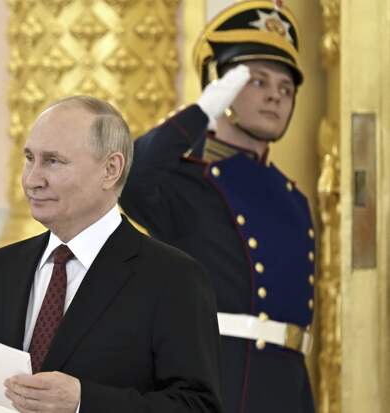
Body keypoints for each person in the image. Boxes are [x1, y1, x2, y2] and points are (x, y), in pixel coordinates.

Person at [0, 96, 222, 413]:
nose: (32, 180)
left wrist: (84, 402)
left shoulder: (173, 277)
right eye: (29, 158)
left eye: (53, 161)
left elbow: (198, 406)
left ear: (110, 170)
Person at [119, 1, 316, 413]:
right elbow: (129, 180)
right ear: (219, 85)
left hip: (284, 387)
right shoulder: (186, 180)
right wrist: (198, 114)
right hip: (215, 382)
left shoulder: (293, 198)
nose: (275, 96)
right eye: (257, 81)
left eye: (286, 88)